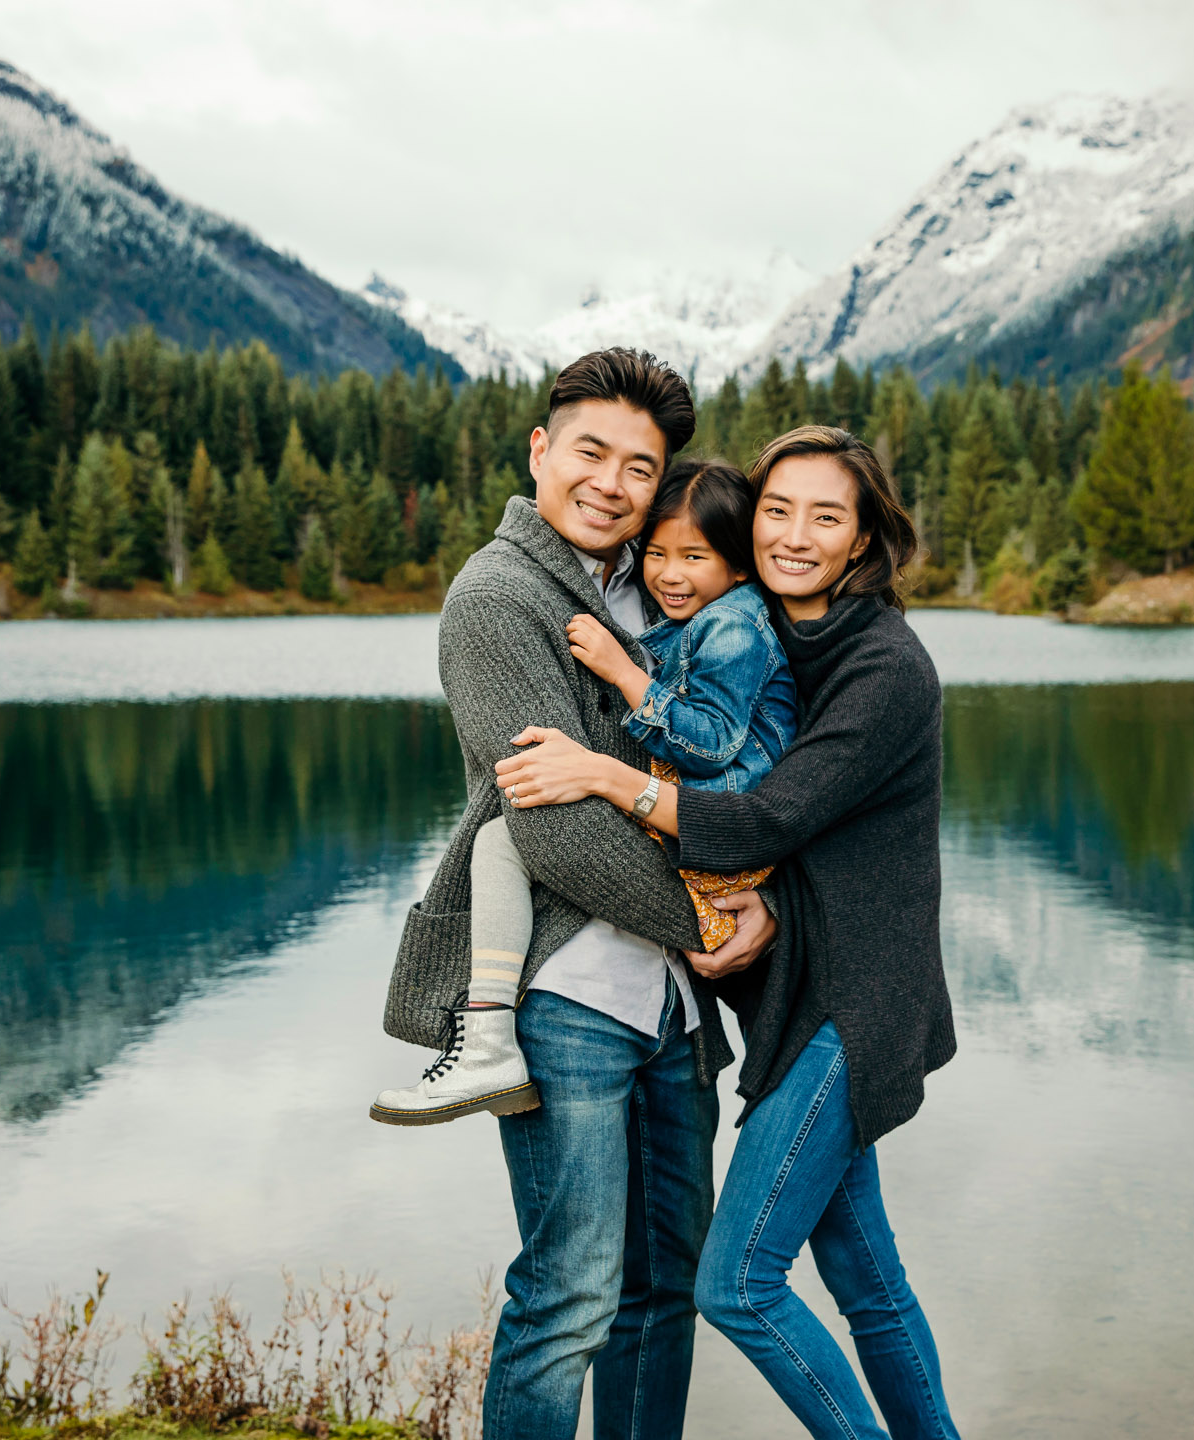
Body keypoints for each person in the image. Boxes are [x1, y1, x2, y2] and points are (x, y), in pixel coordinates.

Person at [494, 425, 961, 1439]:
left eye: (825, 517)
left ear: (863, 538)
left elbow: (771, 818)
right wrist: (772, 904)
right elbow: (808, 834)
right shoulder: (781, 632)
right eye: (777, 512)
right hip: (801, 993)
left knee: (737, 1284)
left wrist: (606, 775)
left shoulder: (883, 667)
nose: (795, 536)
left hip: (852, 1004)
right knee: (864, 1274)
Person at [376, 349, 778, 1440]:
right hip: (566, 1000)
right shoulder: (497, 597)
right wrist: (700, 919)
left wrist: (760, 900)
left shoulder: (660, 586)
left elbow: (729, 755)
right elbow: (548, 829)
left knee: (666, 1290)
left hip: (671, 1013)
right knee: (569, 1298)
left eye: (640, 467)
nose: (611, 482)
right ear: (541, 450)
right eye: (592, 452)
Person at [373, 458, 796, 1124]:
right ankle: (485, 1031)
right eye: (657, 553)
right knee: (501, 838)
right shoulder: (528, 592)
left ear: (739, 565)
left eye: (693, 555)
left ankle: (485, 1034)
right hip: (699, 851)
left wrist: (624, 675)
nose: (669, 572)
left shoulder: (735, 625)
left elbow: (708, 740)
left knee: (502, 837)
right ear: (541, 451)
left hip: (719, 836)